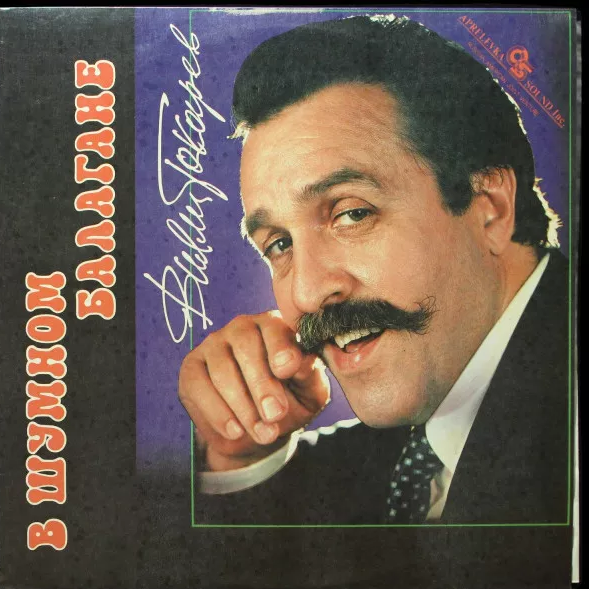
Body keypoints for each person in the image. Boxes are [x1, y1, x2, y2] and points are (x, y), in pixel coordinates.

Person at [178, 15, 569, 524]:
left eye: (352, 214)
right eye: (279, 244)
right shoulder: (389, 452)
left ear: (489, 208)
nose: (308, 292)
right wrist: (241, 455)